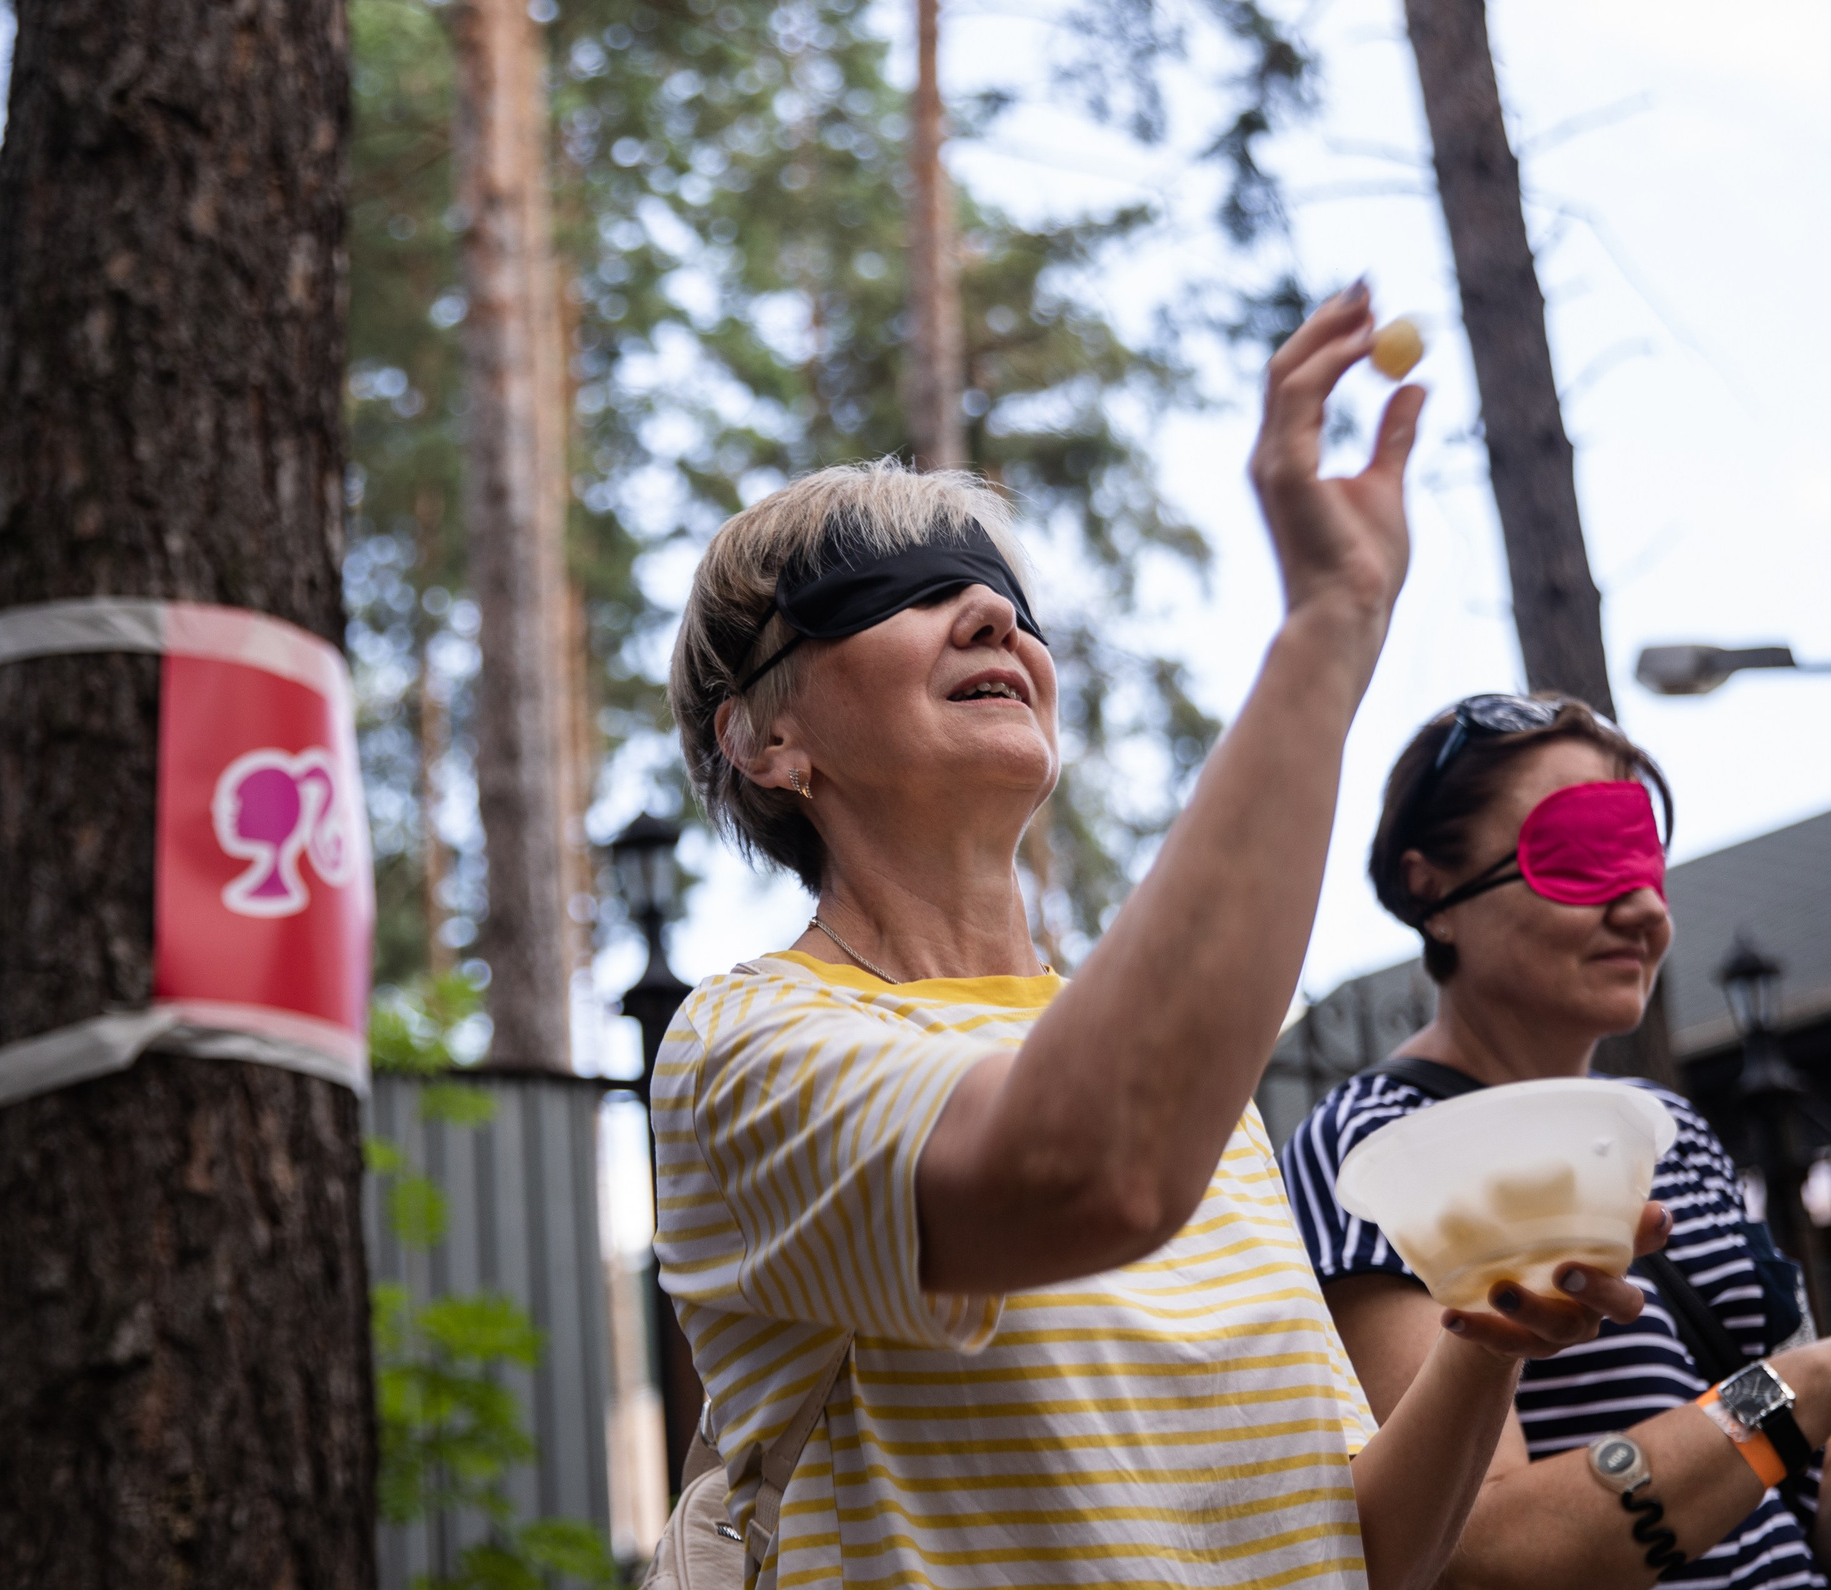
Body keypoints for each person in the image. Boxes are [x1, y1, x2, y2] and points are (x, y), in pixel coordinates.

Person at [650, 288, 1661, 1590]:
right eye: (889, 590)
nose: (990, 617)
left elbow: (1366, 1551)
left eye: (1010, 598)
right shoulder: (750, 1044)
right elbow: (1089, 1167)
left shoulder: (1202, 1106)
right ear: (763, 738)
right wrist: (1331, 625)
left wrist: (1483, 1338)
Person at [1282, 695, 1831, 1590]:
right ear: (1431, 890)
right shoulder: (1377, 1148)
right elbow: (1484, 1553)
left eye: (1647, 860)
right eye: (1585, 855)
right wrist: (1830, 1375)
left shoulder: (1663, 1132)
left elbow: (1828, 1503)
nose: (1642, 906)